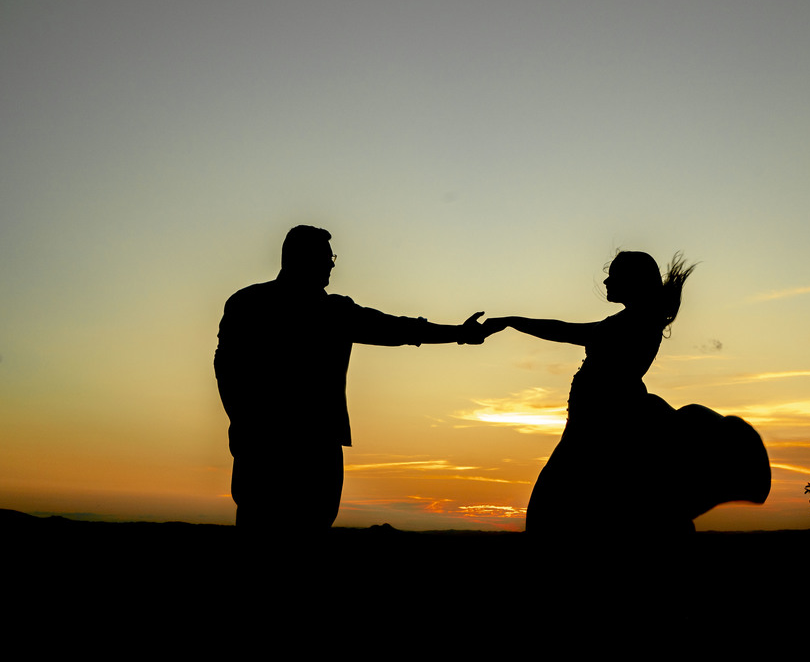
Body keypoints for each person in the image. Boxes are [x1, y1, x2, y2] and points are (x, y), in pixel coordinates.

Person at [213, 225, 489, 532]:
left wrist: (243, 423)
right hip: (297, 448)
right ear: (301, 258)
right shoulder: (321, 311)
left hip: (273, 445)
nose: (332, 263)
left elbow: (400, 330)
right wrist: (461, 334)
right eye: (326, 256)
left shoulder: (249, 302)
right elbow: (400, 330)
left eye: (332, 257)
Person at [486, 251, 770, 536]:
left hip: (608, 427)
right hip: (595, 424)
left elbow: (566, 331)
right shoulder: (633, 319)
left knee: (558, 513)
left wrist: (511, 321)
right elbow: (569, 331)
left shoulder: (635, 322)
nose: (607, 281)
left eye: (615, 274)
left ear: (633, 280)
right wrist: (511, 321)